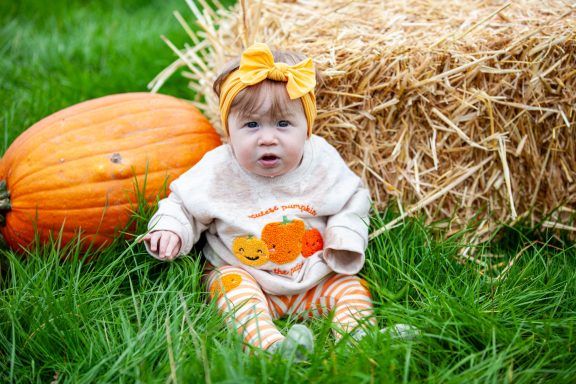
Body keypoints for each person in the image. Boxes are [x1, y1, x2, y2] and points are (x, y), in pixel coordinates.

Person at [140, 42, 416, 360]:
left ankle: (357, 339)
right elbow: (182, 204)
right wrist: (171, 230)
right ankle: (271, 347)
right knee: (231, 291)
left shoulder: (321, 160)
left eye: (283, 124)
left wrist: (343, 237)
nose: (268, 138)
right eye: (251, 125)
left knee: (350, 288)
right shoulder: (217, 169)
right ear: (229, 129)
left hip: (313, 278)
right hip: (247, 274)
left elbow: (352, 198)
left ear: (307, 128)